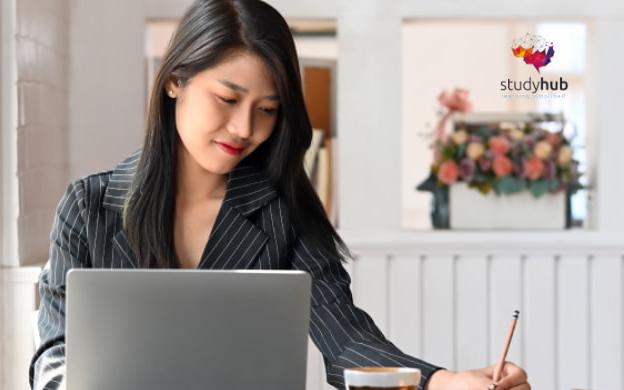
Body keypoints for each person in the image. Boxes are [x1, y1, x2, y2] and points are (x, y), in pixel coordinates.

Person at [29, 0, 531, 389]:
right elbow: (54, 353)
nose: (244, 127)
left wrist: (443, 381)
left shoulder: (280, 212)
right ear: (175, 81)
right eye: (227, 99)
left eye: (268, 109)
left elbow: (346, 340)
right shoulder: (87, 207)